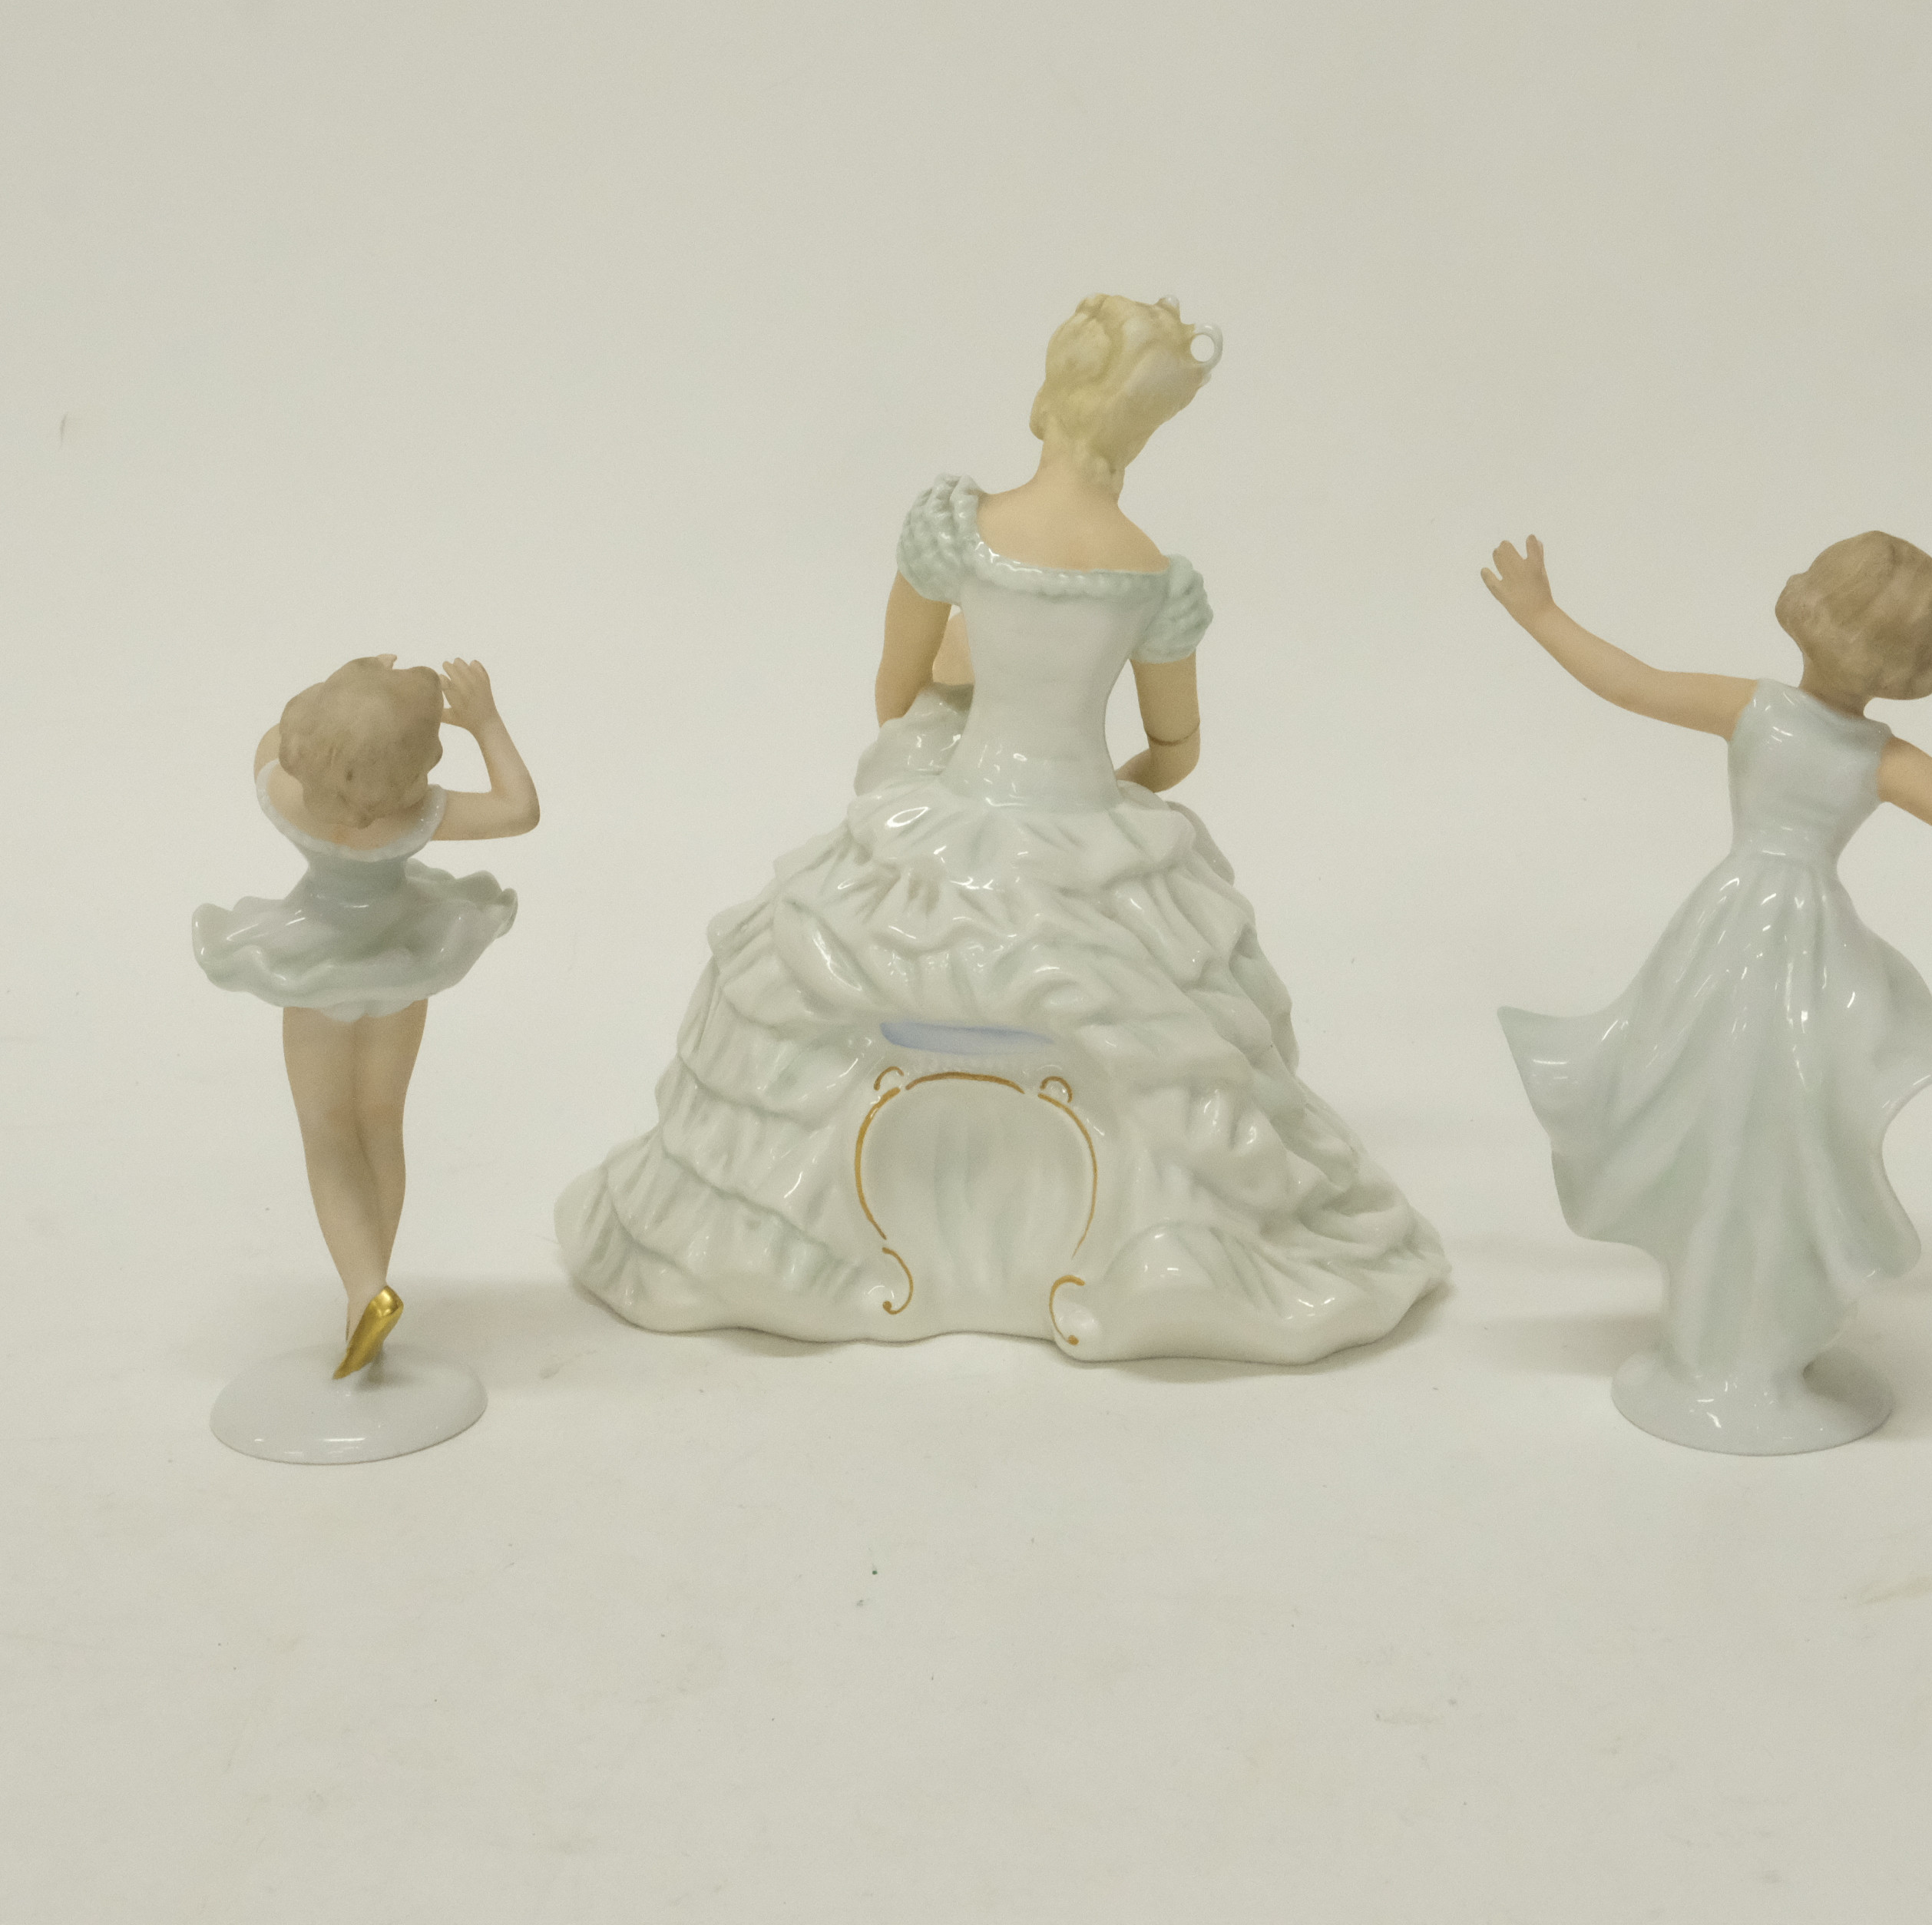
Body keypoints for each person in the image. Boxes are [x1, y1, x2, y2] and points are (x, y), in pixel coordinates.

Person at [559, 294, 1446, 1363]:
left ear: (1049, 394)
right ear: (1145, 428)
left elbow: (896, 696)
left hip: (952, 816)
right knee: (1182, 1018)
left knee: (784, 965)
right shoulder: (1153, 574)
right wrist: (1107, 830)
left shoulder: (959, 527)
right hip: (1088, 821)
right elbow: (1174, 752)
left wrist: (962, 681)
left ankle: (819, 1241)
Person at [1483, 528, 1932, 1451]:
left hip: (1772, 945)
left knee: (1772, 1126)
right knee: (1734, 1116)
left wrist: (1544, 616)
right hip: (1759, 946)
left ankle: (1745, 1330)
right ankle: (1724, 1333)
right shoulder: (1833, 738)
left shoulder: (1803, 726)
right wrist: (1543, 615)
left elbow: (1634, 682)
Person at [194, 655, 540, 1376]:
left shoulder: (282, 789)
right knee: (380, 1121)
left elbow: (278, 739)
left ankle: (365, 1291)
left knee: (327, 1130)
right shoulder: (419, 814)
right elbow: (519, 810)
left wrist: (347, 690)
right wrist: (484, 722)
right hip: (399, 960)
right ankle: (368, 1295)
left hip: (314, 964)